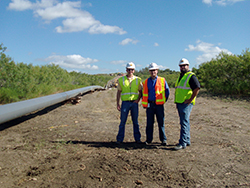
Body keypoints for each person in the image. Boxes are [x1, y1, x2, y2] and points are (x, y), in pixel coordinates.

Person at [174, 58, 200, 150]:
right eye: (181, 66)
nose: (183, 67)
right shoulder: (181, 76)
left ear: (188, 66)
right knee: (185, 122)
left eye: (184, 65)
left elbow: (197, 88)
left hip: (186, 103)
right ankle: (187, 140)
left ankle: (182, 142)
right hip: (180, 102)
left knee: (184, 123)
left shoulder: (191, 76)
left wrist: (190, 100)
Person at [142, 62, 170, 146]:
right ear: (149, 72)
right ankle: (149, 140)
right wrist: (145, 104)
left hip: (159, 105)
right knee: (149, 123)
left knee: (161, 123)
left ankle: (163, 140)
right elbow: (144, 93)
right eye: (151, 70)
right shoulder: (146, 82)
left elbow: (167, 91)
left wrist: (164, 100)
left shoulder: (162, 80)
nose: (153, 72)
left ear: (157, 70)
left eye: (154, 70)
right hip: (150, 105)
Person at [116, 62, 143, 144]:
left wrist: (138, 100)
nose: (130, 71)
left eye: (132, 69)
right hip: (125, 103)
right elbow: (118, 92)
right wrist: (118, 103)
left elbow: (140, 91)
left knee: (135, 122)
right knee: (122, 122)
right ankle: (120, 139)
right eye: (129, 69)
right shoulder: (121, 80)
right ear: (126, 70)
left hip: (134, 103)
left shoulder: (138, 80)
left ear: (134, 70)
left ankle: (137, 139)